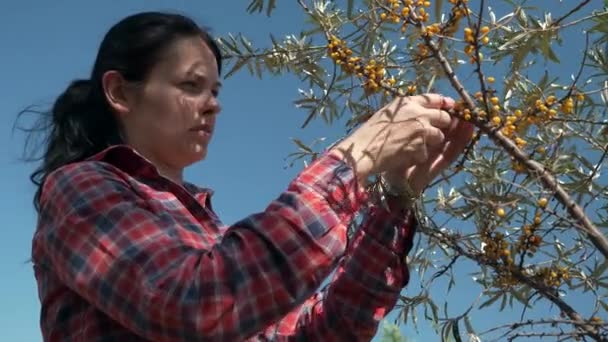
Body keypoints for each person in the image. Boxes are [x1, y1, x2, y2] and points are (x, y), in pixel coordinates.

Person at [25, 11, 473, 342]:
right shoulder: (78, 188)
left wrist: (396, 196)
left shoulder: (209, 232)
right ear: (120, 92)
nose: (212, 105)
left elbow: (324, 332)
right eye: (190, 86)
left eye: (215, 91)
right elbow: (195, 307)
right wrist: (356, 157)